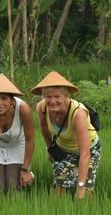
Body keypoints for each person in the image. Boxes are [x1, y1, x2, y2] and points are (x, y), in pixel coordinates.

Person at [32, 71, 101, 199]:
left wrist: (80, 186)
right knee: (59, 188)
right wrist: (50, 149)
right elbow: (44, 127)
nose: (52, 101)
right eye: (48, 96)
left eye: (57, 96)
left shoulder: (78, 113)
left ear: (66, 96)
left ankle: (88, 211)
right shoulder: (42, 108)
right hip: (63, 149)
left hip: (89, 150)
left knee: (85, 191)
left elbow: (85, 154)